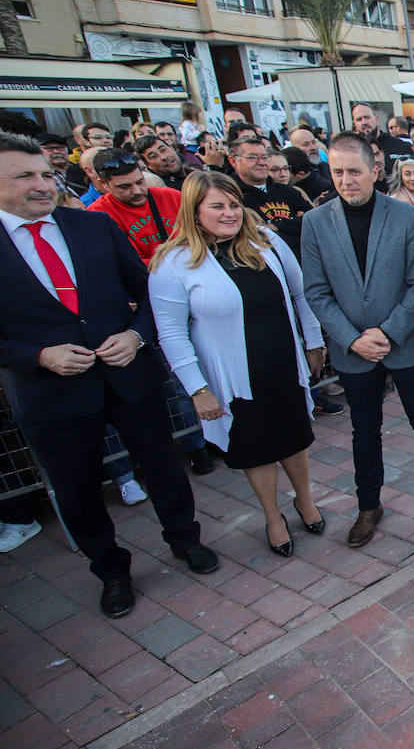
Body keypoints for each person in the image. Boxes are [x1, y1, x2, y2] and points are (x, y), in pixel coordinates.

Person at [0, 133, 218, 617]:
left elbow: (150, 294)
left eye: (46, 174)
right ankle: (111, 571)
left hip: (128, 377)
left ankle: (186, 539)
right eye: (25, 176)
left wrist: (136, 336)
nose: (42, 185)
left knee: (162, 465)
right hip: (51, 395)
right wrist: (38, 356)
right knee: (77, 490)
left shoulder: (93, 226)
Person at [149, 172, 327, 557]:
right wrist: (198, 389)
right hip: (234, 379)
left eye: (234, 204)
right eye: (217, 206)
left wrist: (314, 341)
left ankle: (304, 499)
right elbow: (171, 333)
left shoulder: (266, 241)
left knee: (294, 438)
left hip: (283, 364)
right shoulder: (173, 263)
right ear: (194, 211)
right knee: (255, 447)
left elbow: (301, 293)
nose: (229, 213)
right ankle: (273, 516)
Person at [301, 132, 414, 547]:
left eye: (354, 171)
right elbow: (316, 291)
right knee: (364, 431)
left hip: (403, 344)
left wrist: (387, 331)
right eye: (337, 172)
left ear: (374, 170)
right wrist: (352, 339)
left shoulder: (405, 217)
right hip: (352, 351)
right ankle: (368, 505)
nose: (346, 180)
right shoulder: (315, 222)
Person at [88, 149, 182, 263]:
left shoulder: (172, 197)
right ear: (103, 184)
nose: (137, 191)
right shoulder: (97, 216)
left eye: (140, 182)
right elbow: (129, 265)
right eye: (124, 187)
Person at [226, 136, 313, 258]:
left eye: (264, 157)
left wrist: (276, 226)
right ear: (233, 161)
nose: (261, 162)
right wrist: (295, 224)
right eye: (252, 157)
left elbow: (313, 221)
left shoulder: (287, 191)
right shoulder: (231, 196)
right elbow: (251, 236)